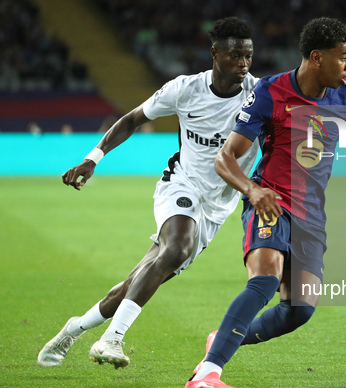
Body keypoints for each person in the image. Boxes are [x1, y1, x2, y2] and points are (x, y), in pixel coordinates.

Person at [184, 17, 346, 388]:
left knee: (299, 310)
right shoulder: (270, 92)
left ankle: (224, 337)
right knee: (264, 279)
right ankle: (207, 373)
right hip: (271, 202)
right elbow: (225, 158)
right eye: (344, 57)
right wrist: (252, 190)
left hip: (311, 215)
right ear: (316, 57)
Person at [37, 17, 259, 369]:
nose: (243, 64)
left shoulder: (258, 95)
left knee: (140, 279)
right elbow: (131, 119)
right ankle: (112, 339)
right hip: (182, 184)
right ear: (215, 53)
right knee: (176, 248)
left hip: (218, 206)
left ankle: (74, 329)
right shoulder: (185, 89)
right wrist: (92, 158)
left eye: (248, 56)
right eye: (235, 55)